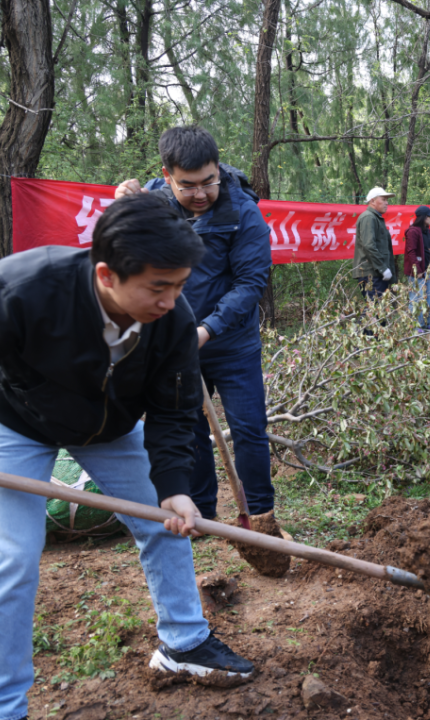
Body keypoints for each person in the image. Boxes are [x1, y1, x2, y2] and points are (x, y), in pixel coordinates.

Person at [0, 194, 254, 720]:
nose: (171, 301)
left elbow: (173, 410)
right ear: (106, 274)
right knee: (13, 556)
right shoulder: (21, 289)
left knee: (165, 521)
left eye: (180, 285)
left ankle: (184, 644)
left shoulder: (173, 319)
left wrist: (174, 487)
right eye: (158, 287)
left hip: (107, 424)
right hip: (16, 415)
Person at [114, 126, 275, 524]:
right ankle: (202, 513)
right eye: (188, 185)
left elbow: (250, 283)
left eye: (209, 181)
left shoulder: (243, 212)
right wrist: (123, 207)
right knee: (188, 429)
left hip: (233, 345)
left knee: (249, 429)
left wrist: (206, 330)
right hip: (175, 345)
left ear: (218, 168)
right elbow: (124, 255)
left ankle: (260, 515)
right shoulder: (151, 203)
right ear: (167, 175)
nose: (201, 193)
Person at [354, 186, 397, 301]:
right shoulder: (368, 217)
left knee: (379, 309)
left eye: (387, 200)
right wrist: (383, 268)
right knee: (375, 309)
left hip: (377, 273)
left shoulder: (376, 218)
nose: (387, 203)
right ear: (372, 201)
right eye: (383, 199)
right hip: (371, 274)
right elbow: (369, 246)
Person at [404, 205, 430, 332]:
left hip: (428, 271)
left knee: (429, 297)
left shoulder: (429, 233)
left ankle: (426, 323)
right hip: (416, 273)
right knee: (416, 298)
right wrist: (417, 270)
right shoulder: (413, 231)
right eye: (429, 217)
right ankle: (416, 325)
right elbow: (411, 251)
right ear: (423, 218)